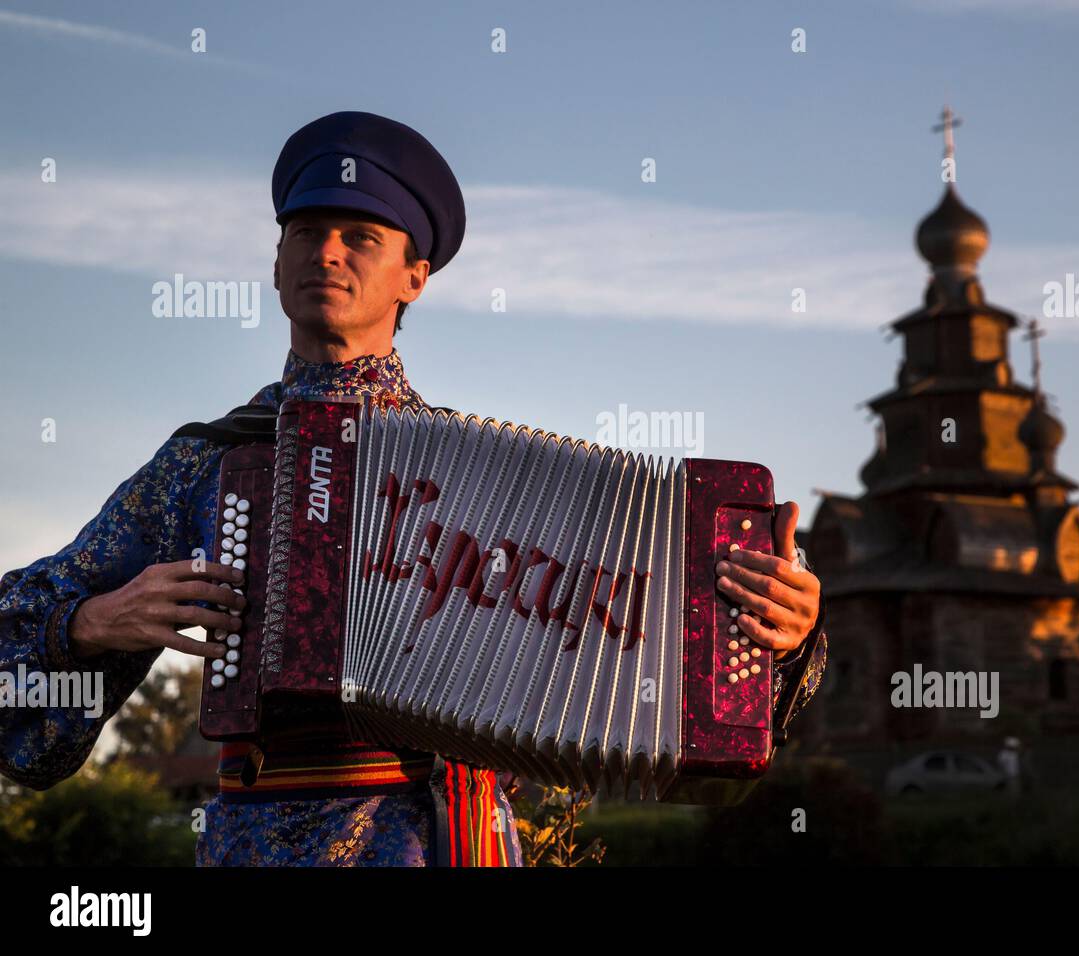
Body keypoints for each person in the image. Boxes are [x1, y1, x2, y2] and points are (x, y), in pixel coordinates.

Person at [0, 112, 829, 865]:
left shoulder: (504, 483)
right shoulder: (205, 463)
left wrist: (775, 635)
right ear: (277, 260)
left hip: (453, 847)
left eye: (360, 236)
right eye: (308, 231)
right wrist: (90, 623)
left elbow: (668, 662)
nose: (327, 251)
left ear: (414, 278)